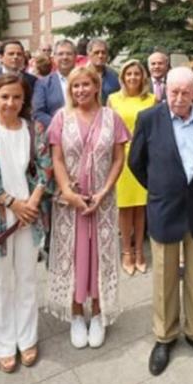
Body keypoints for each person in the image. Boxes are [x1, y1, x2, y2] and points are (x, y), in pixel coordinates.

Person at [129, 67, 193, 376]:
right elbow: (136, 162)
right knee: (164, 277)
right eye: (174, 92)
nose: (180, 98)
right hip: (164, 209)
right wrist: (161, 188)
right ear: (165, 91)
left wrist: (192, 186)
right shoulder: (148, 119)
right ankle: (164, 336)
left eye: (186, 92)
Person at [0, 72, 54, 373]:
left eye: (17, 97)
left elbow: (45, 167)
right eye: (4, 97)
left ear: (24, 99)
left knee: (27, 278)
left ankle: (27, 338)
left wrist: (33, 199)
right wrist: (12, 203)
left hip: (29, 217)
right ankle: (3, 344)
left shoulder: (34, 129)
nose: (10, 102)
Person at [47, 66, 129, 349]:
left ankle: (97, 313)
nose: (80, 90)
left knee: (99, 257)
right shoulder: (62, 117)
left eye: (85, 84)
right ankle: (75, 313)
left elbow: (119, 158)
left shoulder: (111, 117)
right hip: (71, 203)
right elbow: (57, 159)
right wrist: (68, 192)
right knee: (73, 255)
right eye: (75, 86)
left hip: (101, 201)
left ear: (96, 86)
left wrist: (104, 191)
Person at [107, 60, 157, 275]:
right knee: (125, 206)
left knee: (141, 206)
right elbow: (109, 129)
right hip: (121, 155)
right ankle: (126, 251)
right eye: (129, 74)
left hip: (144, 156)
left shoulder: (152, 99)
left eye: (137, 73)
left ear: (143, 77)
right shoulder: (113, 99)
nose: (133, 77)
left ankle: (139, 252)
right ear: (123, 77)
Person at [34, 39, 76, 129]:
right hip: (55, 132)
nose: (65, 57)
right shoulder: (43, 84)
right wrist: (59, 125)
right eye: (60, 54)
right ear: (54, 58)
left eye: (69, 54)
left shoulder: (86, 80)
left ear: (75, 57)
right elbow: (38, 112)